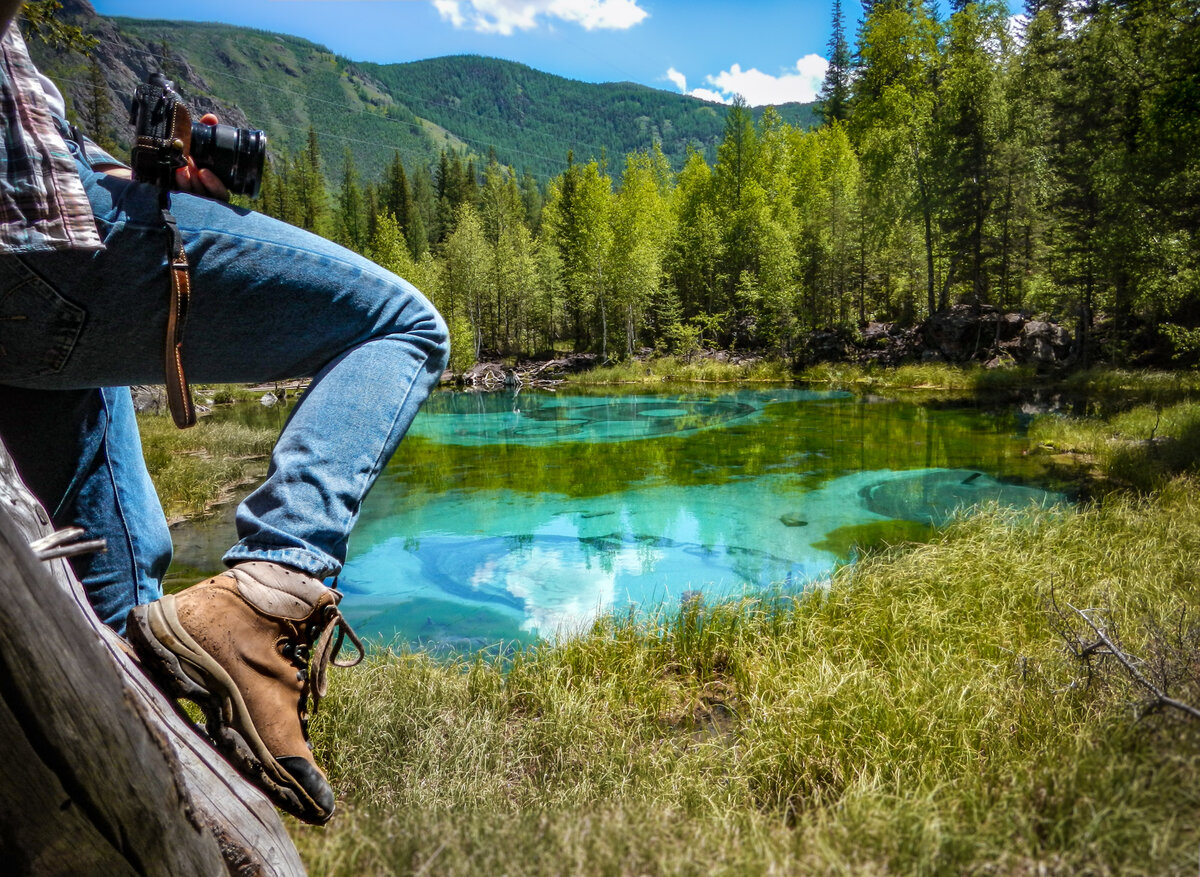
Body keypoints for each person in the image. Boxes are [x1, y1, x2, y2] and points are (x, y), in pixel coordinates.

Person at [0, 4, 448, 825]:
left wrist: (133, 175)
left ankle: (141, 791)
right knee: (404, 325)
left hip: (32, 285)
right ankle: (271, 586)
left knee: (120, 612)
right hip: (36, 244)